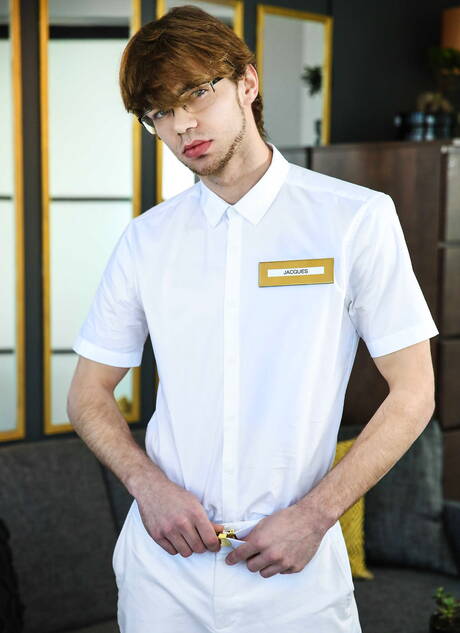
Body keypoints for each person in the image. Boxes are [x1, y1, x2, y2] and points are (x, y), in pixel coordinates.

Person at [67, 5, 439, 633]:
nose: (182, 125)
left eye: (196, 93)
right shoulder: (146, 240)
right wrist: (147, 487)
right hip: (165, 571)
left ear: (247, 81)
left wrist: (317, 515)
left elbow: (415, 391)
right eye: (159, 112)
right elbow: (87, 392)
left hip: (296, 568)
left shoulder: (354, 218)